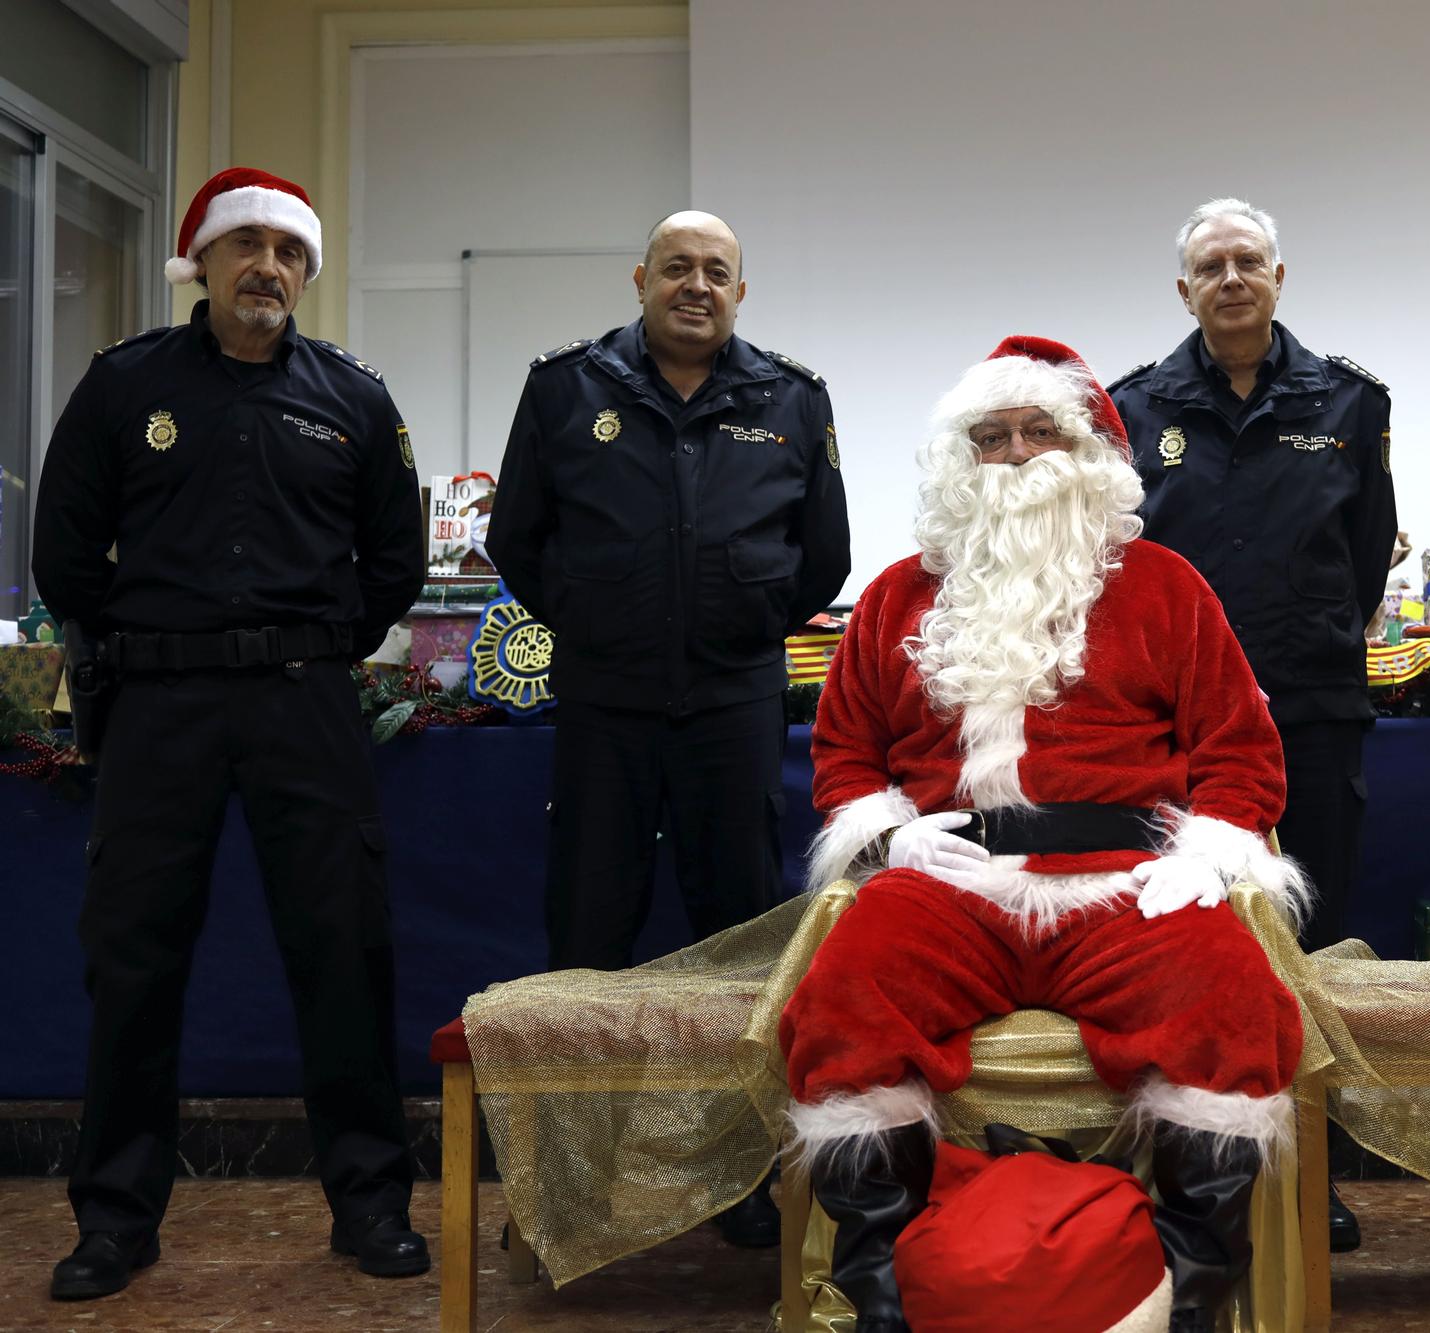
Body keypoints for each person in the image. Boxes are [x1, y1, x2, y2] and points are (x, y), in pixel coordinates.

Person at [784, 336, 1309, 1333]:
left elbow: (1239, 747)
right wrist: (887, 839)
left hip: (1124, 881)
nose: (1019, 454)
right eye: (993, 436)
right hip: (947, 883)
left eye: (1040, 432)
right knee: (842, 998)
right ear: (960, 459)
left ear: (1088, 452)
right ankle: (885, 1293)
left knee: (1232, 998)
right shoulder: (896, 593)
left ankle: (1184, 1295)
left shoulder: (1161, 584)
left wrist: (1208, 852)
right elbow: (844, 754)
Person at [32, 167, 429, 1300]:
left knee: (342, 950)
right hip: (159, 706)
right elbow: (65, 549)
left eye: (289, 252)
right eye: (246, 245)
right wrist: (139, 643)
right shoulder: (123, 386)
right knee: (135, 959)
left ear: (305, 273)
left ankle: (369, 1206)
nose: (269, 267)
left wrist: (311, 644)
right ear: (199, 261)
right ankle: (114, 1220)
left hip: (304, 701)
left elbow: (392, 559)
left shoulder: (354, 395)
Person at [484, 209, 849, 1244]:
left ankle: (736, 1188)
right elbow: (519, 538)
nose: (697, 285)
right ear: (641, 278)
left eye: (717, 272)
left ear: (742, 291)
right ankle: (562, 1191)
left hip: (731, 702)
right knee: (586, 934)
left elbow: (820, 554)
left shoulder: (789, 396)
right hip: (605, 698)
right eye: (677, 267)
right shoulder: (566, 386)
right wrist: (603, 617)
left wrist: (734, 623)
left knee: (737, 933)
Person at [1109, 196, 1396, 1251]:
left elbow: (1364, 554)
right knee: (1177, 946)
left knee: (1302, 947)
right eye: (1209, 267)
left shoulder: (1350, 402)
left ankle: (1303, 1174)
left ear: (1280, 276)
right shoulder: (1131, 406)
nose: (1230, 279)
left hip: (1310, 711)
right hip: (1170, 727)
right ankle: (1176, 1167)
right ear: (1182, 291)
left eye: (1247, 262)